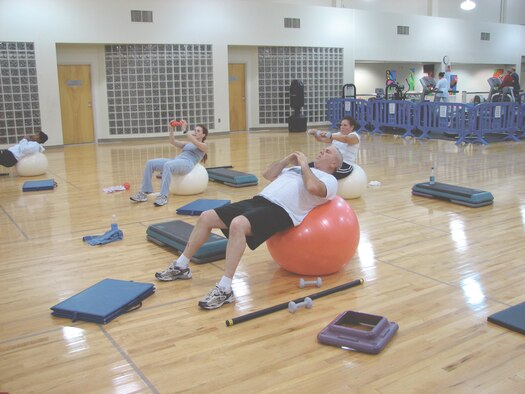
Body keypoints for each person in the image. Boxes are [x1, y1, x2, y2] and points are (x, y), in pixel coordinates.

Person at [154, 146, 343, 310]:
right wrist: (287, 160)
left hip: (282, 212)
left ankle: (225, 289)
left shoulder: (329, 180)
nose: (321, 151)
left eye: (327, 152)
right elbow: (268, 174)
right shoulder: (296, 169)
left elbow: (312, 187)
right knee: (206, 217)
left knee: (238, 224)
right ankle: (181, 265)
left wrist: (303, 165)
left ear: (334, 163)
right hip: (259, 201)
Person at [130, 120, 208, 206]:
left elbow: (196, 142)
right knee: (150, 163)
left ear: (203, 135)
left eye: (198, 131)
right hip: (176, 161)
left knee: (168, 165)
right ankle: (144, 192)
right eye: (195, 130)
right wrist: (171, 129)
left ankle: (163, 197)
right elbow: (172, 141)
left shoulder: (204, 145)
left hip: (187, 164)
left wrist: (185, 130)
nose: (195, 132)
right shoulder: (188, 144)